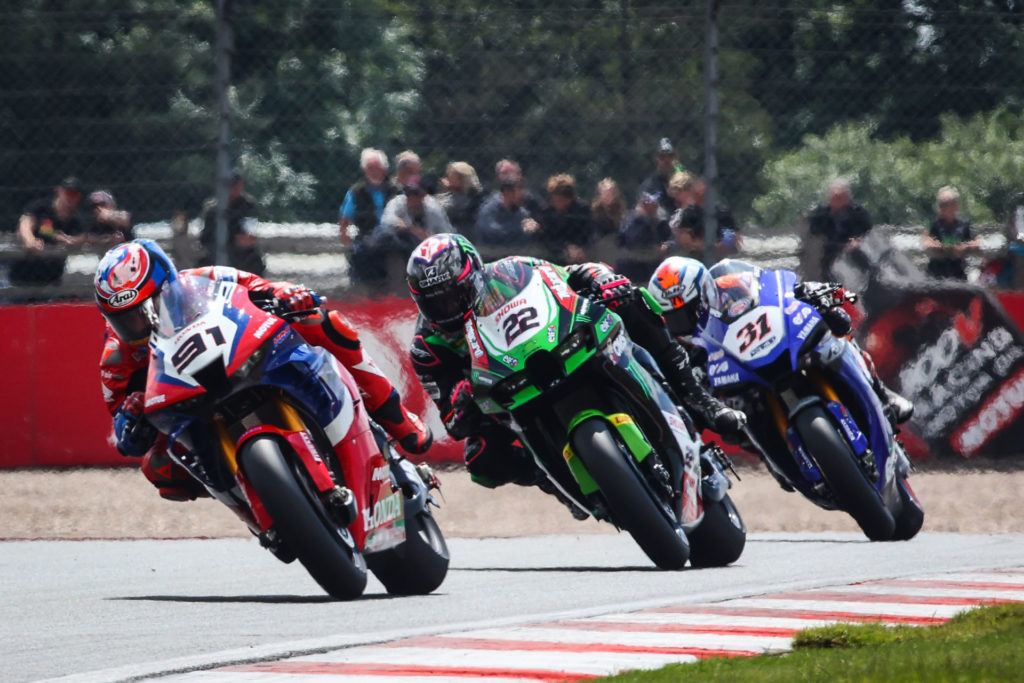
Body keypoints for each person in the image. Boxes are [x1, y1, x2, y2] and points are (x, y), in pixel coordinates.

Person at [405, 233, 745, 513]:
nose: (447, 308)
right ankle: (554, 479)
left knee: (631, 300)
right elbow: (451, 418)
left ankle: (700, 400)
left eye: (454, 296)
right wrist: (461, 397)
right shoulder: (427, 346)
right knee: (481, 458)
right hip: (507, 393)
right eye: (436, 303)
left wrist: (602, 279)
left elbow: (568, 275)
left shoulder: (511, 271)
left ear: (475, 276)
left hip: (556, 347)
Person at [95, 239, 432, 501]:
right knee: (158, 468)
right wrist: (132, 420)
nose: (141, 324)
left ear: (167, 285)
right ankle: (250, 497)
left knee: (323, 322)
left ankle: (396, 419)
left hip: (244, 360)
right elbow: (123, 428)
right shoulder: (116, 359)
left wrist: (289, 295)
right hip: (191, 409)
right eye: (126, 319)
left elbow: (262, 288)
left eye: (147, 309)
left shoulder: (204, 279)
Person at [647, 256, 914, 426]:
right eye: (673, 317)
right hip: (741, 380)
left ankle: (882, 392)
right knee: (734, 420)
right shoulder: (678, 345)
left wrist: (805, 295)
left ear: (705, 292)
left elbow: (774, 286)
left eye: (687, 310)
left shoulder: (729, 284)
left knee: (834, 327)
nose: (681, 322)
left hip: (771, 341)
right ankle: (775, 459)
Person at [11, 176, 86, 285]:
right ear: (59, 191)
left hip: (51, 281)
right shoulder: (42, 208)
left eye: (77, 195)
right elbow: (26, 222)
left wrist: (71, 241)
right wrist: (30, 240)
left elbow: (82, 237)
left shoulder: (76, 220)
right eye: (70, 193)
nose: (72, 198)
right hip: (22, 276)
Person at [338, 148, 398, 282]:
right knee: (359, 254)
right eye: (369, 168)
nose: (373, 172)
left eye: (376, 167)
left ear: (384, 169)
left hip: (394, 234)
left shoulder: (396, 189)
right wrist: (344, 236)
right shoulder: (356, 192)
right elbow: (344, 219)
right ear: (364, 170)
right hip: (368, 235)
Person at [198, 171, 265, 275]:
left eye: (237, 185)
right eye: (231, 186)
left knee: (255, 262)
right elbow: (205, 239)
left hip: (241, 254)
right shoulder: (213, 208)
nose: (234, 189)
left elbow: (249, 238)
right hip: (216, 252)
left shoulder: (247, 205)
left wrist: (234, 238)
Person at [805, 178, 872, 279]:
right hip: (828, 260)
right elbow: (815, 239)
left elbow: (868, 234)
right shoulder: (819, 215)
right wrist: (842, 246)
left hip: (856, 259)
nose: (837, 201)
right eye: (835, 197)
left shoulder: (859, 214)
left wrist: (858, 242)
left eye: (841, 197)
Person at [667, 172, 741, 264]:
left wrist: (704, 246)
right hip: (694, 262)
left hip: (719, 262)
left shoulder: (722, 212)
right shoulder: (689, 213)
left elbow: (731, 243)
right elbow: (685, 242)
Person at [374, 176, 453, 256]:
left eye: (415, 193)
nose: (411, 197)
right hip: (399, 251)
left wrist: (432, 238)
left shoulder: (433, 207)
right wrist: (410, 229)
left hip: (428, 250)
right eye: (408, 193)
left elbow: (448, 233)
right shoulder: (397, 202)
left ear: (424, 194)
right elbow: (386, 220)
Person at [922, 186, 979, 281]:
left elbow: (977, 242)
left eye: (946, 204)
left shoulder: (964, 224)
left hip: (958, 272)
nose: (942, 207)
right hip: (936, 274)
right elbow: (926, 242)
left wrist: (965, 247)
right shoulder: (931, 223)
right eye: (940, 204)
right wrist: (948, 247)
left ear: (956, 205)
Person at [536, 173, 595, 265]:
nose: (555, 202)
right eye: (554, 198)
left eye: (559, 199)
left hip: (581, 257)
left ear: (569, 198)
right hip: (553, 257)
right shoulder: (547, 212)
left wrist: (580, 248)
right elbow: (546, 238)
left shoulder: (582, 210)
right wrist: (565, 248)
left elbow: (590, 234)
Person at [615, 191, 671, 283]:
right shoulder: (631, 220)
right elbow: (633, 241)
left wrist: (666, 246)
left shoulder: (662, 220)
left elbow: (670, 238)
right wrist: (643, 218)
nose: (653, 205)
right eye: (648, 203)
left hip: (654, 270)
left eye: (655, 202)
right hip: (632, 270)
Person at [473, 177, 542, 250]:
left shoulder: (521, 212)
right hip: (489, 254)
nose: (523, 196)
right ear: (507, 193)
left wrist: (533, 228)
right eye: (519, 194)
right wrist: (521, 229)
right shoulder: (488, 210)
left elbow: (526, 236)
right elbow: (494, 235)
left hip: (515, 255)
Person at [436, 161, 484, 238]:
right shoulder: (448, 195)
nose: (448, 178)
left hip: (468, 233)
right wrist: (444, 192)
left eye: (452, 176)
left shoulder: (477, 198)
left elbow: (462, 215)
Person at [637, 137, 683, 216]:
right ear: (656, 159)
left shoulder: (684, 183)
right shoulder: (649, 186)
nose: (667, 160)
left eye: (670, 156)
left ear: (676, 158)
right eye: (662, 157)